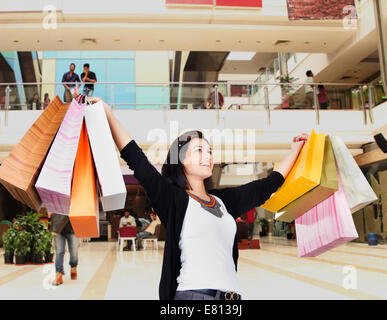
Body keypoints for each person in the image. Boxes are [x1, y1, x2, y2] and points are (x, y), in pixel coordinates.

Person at [90, 97, 307, 300]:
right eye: (199, 150)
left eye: (210, 151)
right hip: (193, 296)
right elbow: (136, 159)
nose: (208, 156)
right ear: (181, 159)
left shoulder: (223, 201)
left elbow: (268, 185)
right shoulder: (173, 200)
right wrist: (108, 113)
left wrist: (295, 150)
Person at [49, 213, 78, 286]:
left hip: (72, 226)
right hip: (57, 226)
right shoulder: (56, 201)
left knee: (73, 251)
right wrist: (49, 210)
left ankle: (73, 267)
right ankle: (59, 274)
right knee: (59, 251)